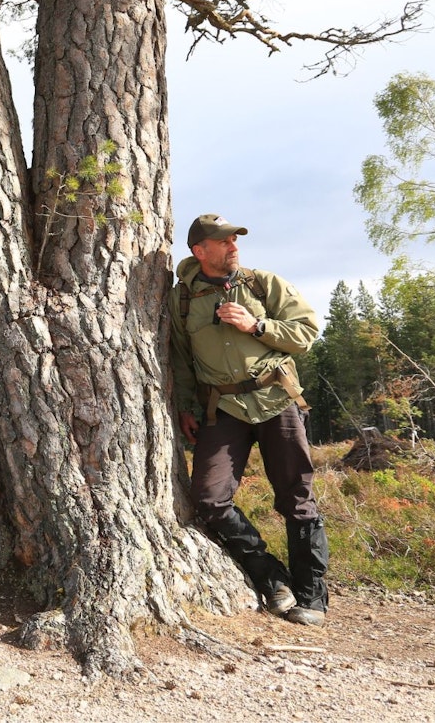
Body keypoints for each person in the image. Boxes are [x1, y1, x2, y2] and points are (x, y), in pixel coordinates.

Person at [169, 214, 329, 626]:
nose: (234, 246)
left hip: (277, 400)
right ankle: (273, 578)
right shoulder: (182, 298)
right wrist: (186, 405)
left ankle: (312, 598)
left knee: (296, 497)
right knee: (209, 499)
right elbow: (181, 358)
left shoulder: (264, 284)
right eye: (223, 241)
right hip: (222, 410)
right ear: (199, 251)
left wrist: (256, 325)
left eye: (235, 239)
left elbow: (307, 332)